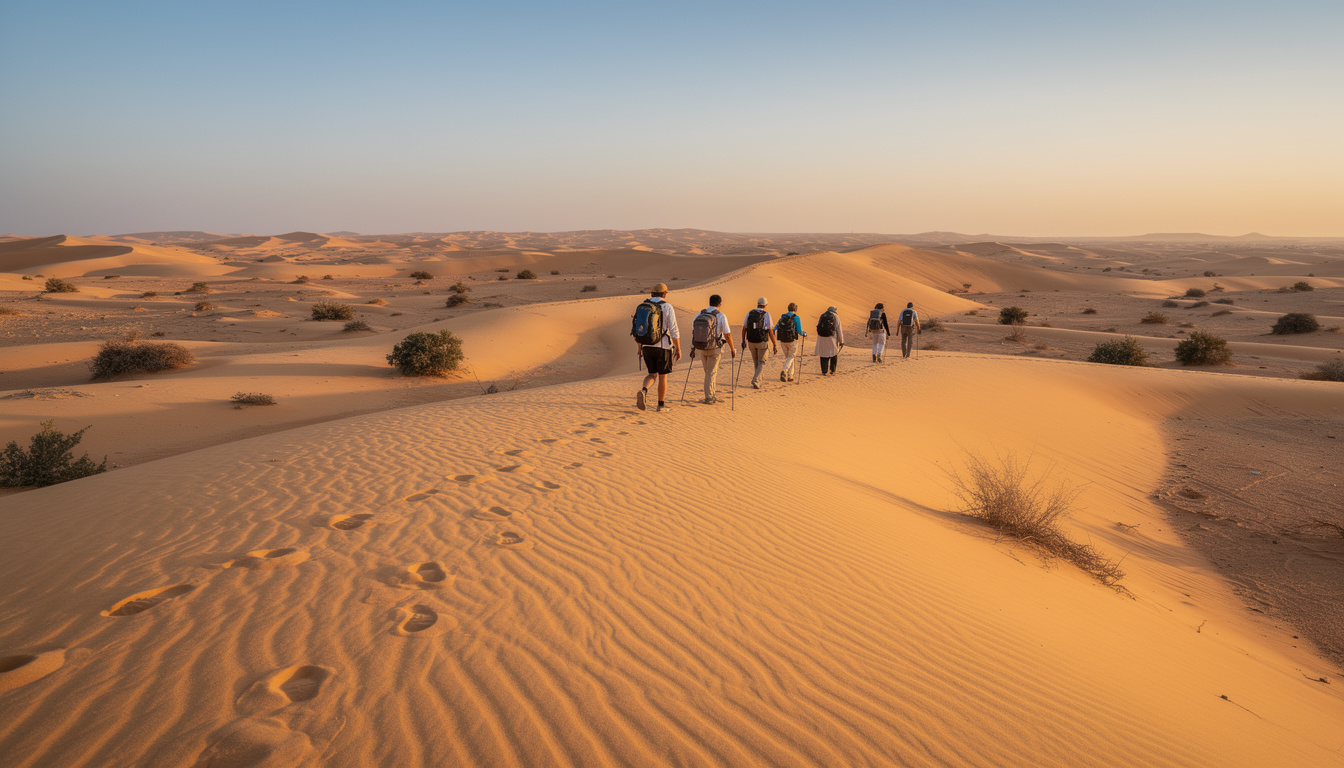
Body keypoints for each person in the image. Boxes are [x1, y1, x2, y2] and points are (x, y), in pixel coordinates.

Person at [632, 283, 681, 411]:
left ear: (652, 293)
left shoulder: (643, 306)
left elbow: (638, 329)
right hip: (663, 346)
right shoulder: (667, 307)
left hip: (646, 346)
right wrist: (678, 348)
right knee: (663, 376)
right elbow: (674, 330)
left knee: (652, 374)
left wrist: (639, 348)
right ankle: (661, 405)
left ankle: (644, 390)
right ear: (664, 294)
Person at [692, 294, 734, 404]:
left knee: (708, 372)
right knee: (710, 373)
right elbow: (727, 334)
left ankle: (712, 394)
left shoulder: (701, 314)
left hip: (702, 346)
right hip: (714, 348)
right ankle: (709, 397)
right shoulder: (721, 316)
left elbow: (694, 327)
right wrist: (732, 348)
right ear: (719, 304)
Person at [741, 297, 777, 389]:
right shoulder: (766, 314)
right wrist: (774, 344)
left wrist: (743, 341)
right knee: (762, 362)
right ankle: (756, 380)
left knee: (756, 362)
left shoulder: (749, 313)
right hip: (762, 341)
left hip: (751, 341)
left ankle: (758, 381)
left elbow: (744, 328)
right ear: (765, 305)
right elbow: (770, 330)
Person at [774, 302, 807, 381]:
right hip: (792, 340)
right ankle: (784, 370)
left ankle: (790, 376)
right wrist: (804, 333)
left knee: (789, 357)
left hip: (783, 340)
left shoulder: (783, 317)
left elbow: (775, 327)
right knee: (791, 356)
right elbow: (799, 331)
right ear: (795, 309)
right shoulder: (796, 317)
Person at [815, 305, 844, 375]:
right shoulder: (835, 316)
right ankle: (832, 370)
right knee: (834, 353)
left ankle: (824, 370)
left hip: (822, 338)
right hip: (832, 337)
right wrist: (841, 341)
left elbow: (818, 327)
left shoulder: (822, 316)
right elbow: (839, 329)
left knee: (823, 353)